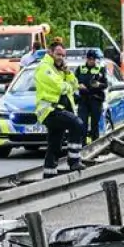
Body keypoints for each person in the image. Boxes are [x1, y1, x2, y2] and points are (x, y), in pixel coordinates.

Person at [34, 42, 84, 178]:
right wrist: (67, 85)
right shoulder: (44, 67)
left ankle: (49, 173)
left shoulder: (59, 69)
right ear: (50, 52)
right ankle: (74, 160)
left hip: (59, 110)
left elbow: (74, 86)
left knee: (55, 144)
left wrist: (67, 73)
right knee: (77, 124)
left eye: (63, 55)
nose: (61, 57)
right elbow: (59, 87)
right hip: (49, 111)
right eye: (58, 54)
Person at [75, 48, 108, 142]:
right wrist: (78, 85)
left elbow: (106, 84)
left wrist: (99, 85)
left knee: (94, 125)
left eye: (93, 59)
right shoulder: (80, 69)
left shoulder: (100, 69)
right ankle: (83, 146)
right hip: (83, 99)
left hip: (96, 99)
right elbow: (73, 82)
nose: (92, 61)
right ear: (87, 59)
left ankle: (95, 146)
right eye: (90, 59)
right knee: (82, 123)